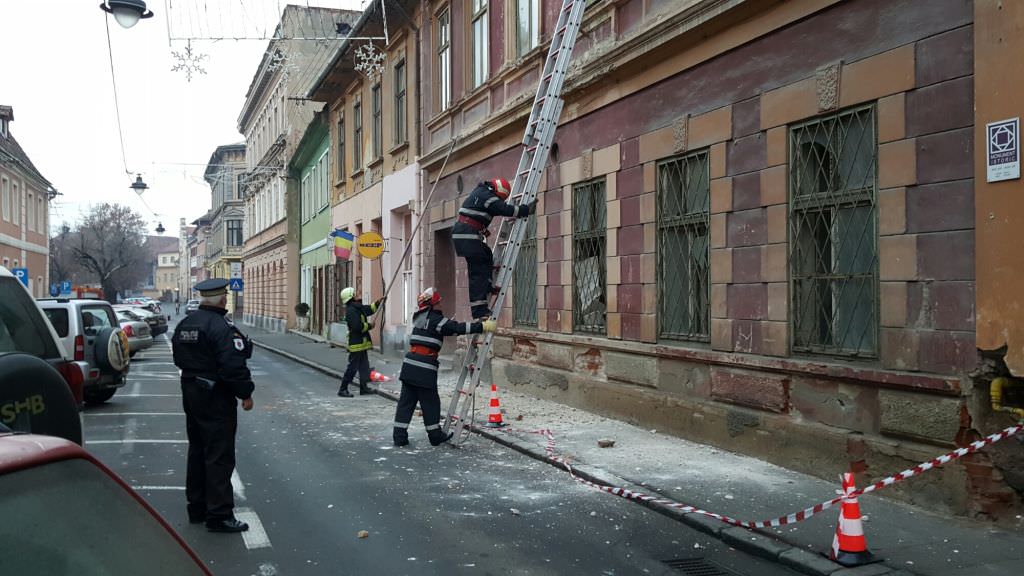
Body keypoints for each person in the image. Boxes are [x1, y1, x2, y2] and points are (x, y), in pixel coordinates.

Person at [171, 278, 255, 533]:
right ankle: (219, 515)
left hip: (191, 391)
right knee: (219, 454)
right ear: (221, 299)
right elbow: (231, 365)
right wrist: (245, 393)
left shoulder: (187, 323)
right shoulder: (220, 327)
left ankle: (196, 507)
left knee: (197, 449)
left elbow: (178, 357)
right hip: (216, 395)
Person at [393, 287, 496, 447]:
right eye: (438, 302)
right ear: (432, 305)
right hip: (423, 368)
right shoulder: (436, 320)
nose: (441, 304)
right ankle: (435, 436)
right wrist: (482, 327)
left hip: (410, 365)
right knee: (431, 402)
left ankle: (399, 437)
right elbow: (457, 328)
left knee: (406, 402)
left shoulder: (420, 319)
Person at [451, 178, 535, 320]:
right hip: (467, 234)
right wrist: (524, 210)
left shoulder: (482, 192)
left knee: (486, 254)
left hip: (466, 233)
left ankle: (488, 285)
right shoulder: (487, 196)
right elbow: (503, 209)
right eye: (499, 198)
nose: (498, 200)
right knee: (477, 271)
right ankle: (479, 311)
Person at [338, 287, 385, 397]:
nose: (357, 294)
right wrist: (369, 326)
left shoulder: (357, 308)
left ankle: (364, 388)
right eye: (355, 293)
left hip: (362, 343)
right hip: (356, 344)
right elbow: (356, 326)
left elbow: (368, 309)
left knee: (364, 367)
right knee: (352, 368)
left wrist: (378, 302)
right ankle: (343, 389)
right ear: (351, 297)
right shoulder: (351, 311)